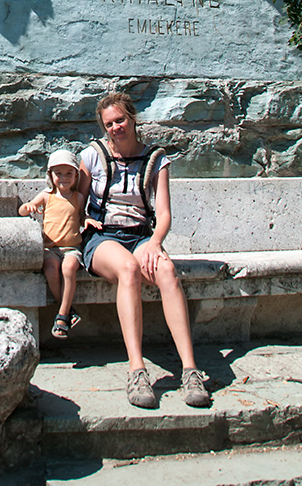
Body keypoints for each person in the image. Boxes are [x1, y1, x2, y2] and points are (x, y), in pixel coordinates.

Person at [79, 92, 210, 409]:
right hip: (103, 238)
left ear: (133, 119)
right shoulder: (93, 156)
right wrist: (82, 220)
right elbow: (77, 204)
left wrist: (154, 243)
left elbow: (163, 214)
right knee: (128, 269)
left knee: (166, 271)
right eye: (109, 124)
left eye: (120, 120)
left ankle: (190, 370)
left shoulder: (156, 159)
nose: (115, 128)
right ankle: (137, 370)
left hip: (140, 237)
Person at [18, 149, 86, 339]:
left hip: (72, 248)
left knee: (69, 268)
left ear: (75, 176)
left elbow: (81, 218)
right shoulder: (47, 195)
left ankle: (62, 316)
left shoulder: (78, 198)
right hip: (50, 248)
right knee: (50, 269)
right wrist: (28, 207)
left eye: (68, 174)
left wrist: (87, 220)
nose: (63, 178)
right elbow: (23, 210)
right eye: (58, 174)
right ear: (50, 175)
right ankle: (67, 309)